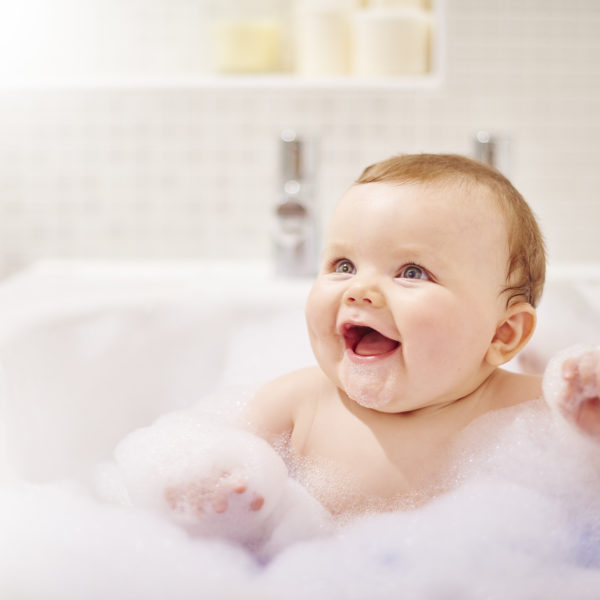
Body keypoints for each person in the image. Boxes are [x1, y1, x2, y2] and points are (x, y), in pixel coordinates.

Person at [105, 153, 599, 553]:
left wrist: (587, 425)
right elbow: (191, 462)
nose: (360, 289)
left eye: (411, 272)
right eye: (343, 263)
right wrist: (202, 493)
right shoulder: (300, 403)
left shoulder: (531, 414)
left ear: (503, 336)